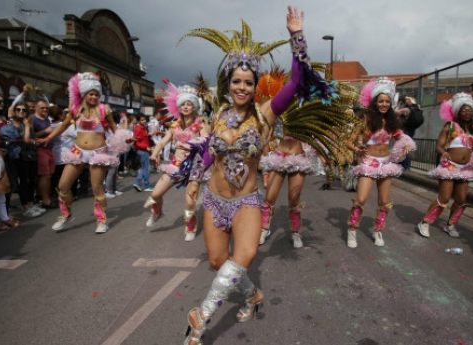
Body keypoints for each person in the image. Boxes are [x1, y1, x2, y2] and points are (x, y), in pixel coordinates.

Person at [179, 7, 337, 344]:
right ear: (229, 82)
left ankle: (201, 317)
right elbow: (208, 150)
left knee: (246, 254)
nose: (242, 86)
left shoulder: (266, 115)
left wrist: (297, 34)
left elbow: (296, 81)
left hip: (246, 201)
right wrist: (194, 180)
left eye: (248, 82)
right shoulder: (219, 115)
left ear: (255, 87)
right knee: (219, 261)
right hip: (214, 200)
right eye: (236, 81)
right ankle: (252, 295)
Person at [38, 72, 132, 234]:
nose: (94, 97)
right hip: (78, 151)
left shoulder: (104, 109)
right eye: (91, 94)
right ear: (84, 94)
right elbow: (63, 126)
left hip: (98, 152)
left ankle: (101, 220)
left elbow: (114, 128)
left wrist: (124, 139)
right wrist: (49, 137)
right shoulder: (75, 109)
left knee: (97, 188)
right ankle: (66, 215)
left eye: (96, 94)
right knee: (62, 186)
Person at [417, 93, 473, 238]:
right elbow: (438, 146)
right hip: (449, 167)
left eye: (470, 110)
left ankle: (450, 224)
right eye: (464, 110)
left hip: (465, 169)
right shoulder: (451, 126)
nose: (467, 113)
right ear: (458, 112)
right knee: (444, 198)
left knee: (460, 200)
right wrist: (443, 153)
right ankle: (425, 222)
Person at [346, 78, 416, 248]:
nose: (383, 104)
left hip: (386, 164)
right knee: (361, 198)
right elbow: (349, 141)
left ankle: (377, 230)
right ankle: (352, 229)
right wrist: (357, 150)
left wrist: (406, 145)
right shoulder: (366, 120)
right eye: (380, 101)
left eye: (386, 101)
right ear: (375, 102)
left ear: (390, 103)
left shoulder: (392, 122)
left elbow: (402, 138)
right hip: (368, 163)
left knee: (383, 202)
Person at [144, 84, 206, 242]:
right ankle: (157, 213)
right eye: (183, 104)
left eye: (189, 103)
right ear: (179, 106)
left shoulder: (201, 123)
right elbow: (162, 142)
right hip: (175, 164)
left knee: (190, 201)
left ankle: (190, 228)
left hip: (194, 166)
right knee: (155, 194)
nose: (186, 107)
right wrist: (155, 154)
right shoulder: (174, 125)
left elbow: (206, 140)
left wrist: (191, 145)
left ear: (194, 106)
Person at [2, 101, 44, 218]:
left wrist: (31, 138)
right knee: (24, 181)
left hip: (31, 154)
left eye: (24, 110)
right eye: (18, 110)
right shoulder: (13, 125)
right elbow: (25, 139)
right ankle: (25, 207)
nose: (21, 112)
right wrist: (26, 128)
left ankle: (31, 205)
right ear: (14, 111)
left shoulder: (28, 123)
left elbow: (34, 140)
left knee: (31, 180)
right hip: (20, 156)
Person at [31, 99, 58, 209]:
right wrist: (45, 132)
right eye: (42, 108)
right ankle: (45, 200)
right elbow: (31, 136)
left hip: (50, 148)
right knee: (44, 175)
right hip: (41, 149)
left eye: (46, 108)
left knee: (49, 175)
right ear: (36, 108)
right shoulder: (32, 119)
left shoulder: (46, 118)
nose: (45, 109)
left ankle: (46, 197)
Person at [395, 96, 419, 170]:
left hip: (406, 130)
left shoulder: (407, 109)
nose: (405, 101)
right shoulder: (417, 108)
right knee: (406, 146)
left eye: (406, 100)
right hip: (412, 129)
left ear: (409, 100)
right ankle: (404, 165)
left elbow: (395, 112)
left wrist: (399, 104)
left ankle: (405, 165)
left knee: (404, 147)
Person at [132, 114, 153, 192]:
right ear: (138, 121)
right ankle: (146, 185)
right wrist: (146, 147)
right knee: (146, 168)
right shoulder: (139, 128)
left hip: (144, 150)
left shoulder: (143, 128)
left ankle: (138, 183)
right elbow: (136, 141)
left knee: (145, 167)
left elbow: (143, 140)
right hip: (142, 150)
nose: (144, 121)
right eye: (142, 120)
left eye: (144, 119)